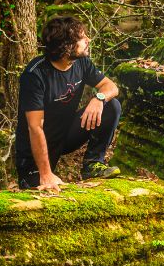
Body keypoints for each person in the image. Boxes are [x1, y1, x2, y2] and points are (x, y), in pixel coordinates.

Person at [15, 16, 122, 191]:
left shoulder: (81, 62)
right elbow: (35, 127)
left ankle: (93, 165)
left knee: (112, 106)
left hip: (65, 135)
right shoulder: (35, 75)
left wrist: (98, 99)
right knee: (44, 196)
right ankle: (38, 175)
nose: (88, 40)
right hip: (34, 154)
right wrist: (46, 173)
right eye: (82, 37)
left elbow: (111, 87)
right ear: (67, 46)